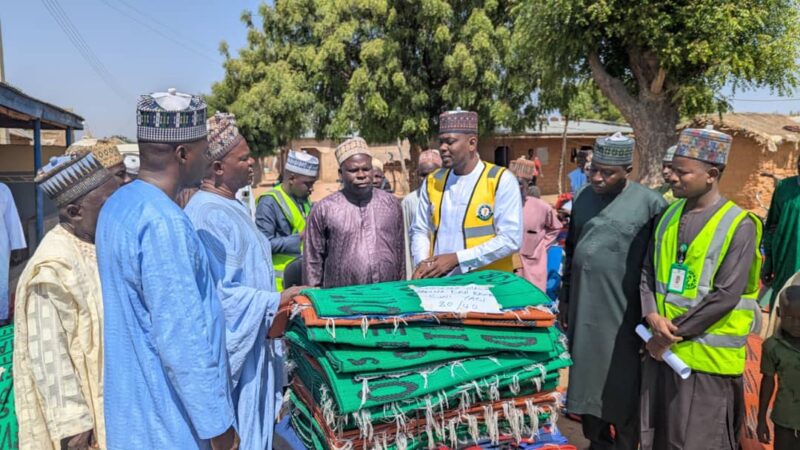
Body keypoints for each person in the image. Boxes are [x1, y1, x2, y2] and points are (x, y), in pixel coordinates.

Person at [96, 89, 239, 450]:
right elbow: (183, 339)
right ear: (183, 154)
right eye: (205, 150)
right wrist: (219, 427)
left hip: (132, 415)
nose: (208, 158)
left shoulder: (118, 204)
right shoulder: (163, 223)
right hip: (168, 424)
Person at [185, 113, 305, 450]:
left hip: (257, 344)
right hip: (237, 356)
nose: (252, 163)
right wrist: (277, 300)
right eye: (244, 158)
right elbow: (217, 298)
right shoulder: (206, 214)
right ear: (218, 168)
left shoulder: (231, 206)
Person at [640, 128, 761, 450]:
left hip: (707, 364)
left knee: (698, 442)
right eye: (672, 169)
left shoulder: (739, 225)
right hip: (663, 356)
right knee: (658, 438)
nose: (672, 177)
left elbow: (725, 295)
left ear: (711, 175)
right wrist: (651, 314)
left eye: (682, 172)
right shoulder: (668, 215)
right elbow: (648, 272)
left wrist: (666, 336)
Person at [14, 141, 125, 450]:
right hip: (87, 430)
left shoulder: (97, 243)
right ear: (75, 212)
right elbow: (50, 361)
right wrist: (77, 431)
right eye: (108, 205)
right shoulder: (52, 268)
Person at [560, 132, 666, 450]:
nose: (597, 177)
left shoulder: (651, 204)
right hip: (584, 308)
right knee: (586, 380)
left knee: (623, 384)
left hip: (626, 314)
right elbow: (571, 249)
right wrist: (566, 300)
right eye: (594, 169)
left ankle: (625, 443)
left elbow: (656, 268)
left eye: (608, 172)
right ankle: (597, 441)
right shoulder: (582, 197)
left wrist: (651, 316)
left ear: (627, 171)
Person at [410, 109, 522, 278]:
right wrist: (423, 264)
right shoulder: (433, 181)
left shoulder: (500, 180)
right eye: (441, 142)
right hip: (441, 284)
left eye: (450, 142)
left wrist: (458, 259)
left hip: (487, 283)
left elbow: (510, 239)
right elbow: (420, 229)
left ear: (472, 143)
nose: (442, 148)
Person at [303, 137, 405, 288]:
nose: (361, 175)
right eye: (353, 170)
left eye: (366, 169)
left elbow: (400, 256)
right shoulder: (324, 209)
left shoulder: (391, 205)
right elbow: (312, 263)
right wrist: (313, 298)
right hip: (341, 298)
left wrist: (402, 290)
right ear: (340, 173)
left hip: (388, 295)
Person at [255, 150, 319, 291]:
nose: (311, 189)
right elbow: (263, 245)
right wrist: (300, 237)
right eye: (308, 184)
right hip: (280, 286)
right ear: (292, 178)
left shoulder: (303, 199)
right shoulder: (268, 203)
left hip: (303, 280)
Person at [757, 284, 800, 450]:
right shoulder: (772, 347)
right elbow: (767, 382)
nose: (796, 324)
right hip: (784, 421)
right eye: (789, 317)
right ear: (779, 313)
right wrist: (761, 420)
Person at [512, 164, 561, 291]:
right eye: (512, 183)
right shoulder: (500, 205)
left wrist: (542, 246)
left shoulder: (541, 207)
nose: (515, 187)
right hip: (508, 263)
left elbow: (555, 227)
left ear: (528, 184)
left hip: (533, 263)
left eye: (520, 183)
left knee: (533, 297)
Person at [763, 155, 800, 308]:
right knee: (782, 311)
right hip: (785, 266)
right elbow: (772, 226)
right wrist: (768, 262)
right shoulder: (784, 188)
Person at [401, 150, 442, 279]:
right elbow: (406, 239)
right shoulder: (409, 201)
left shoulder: (449, 198)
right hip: (419, 267)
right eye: (423, 175)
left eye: (433, 173)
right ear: (417, 175)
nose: (428, 179)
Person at [0, 181, 25, 325]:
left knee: (1, 280)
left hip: (1, 243)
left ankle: (1, 316)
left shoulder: (3, 189)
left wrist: (17, 245)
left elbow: (11, 218)